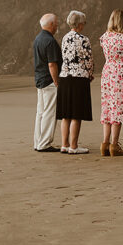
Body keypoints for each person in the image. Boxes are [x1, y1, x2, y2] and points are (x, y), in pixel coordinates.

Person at [57, 10, 94, 154]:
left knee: (66, 114)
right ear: (79, 24)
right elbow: (88, 60)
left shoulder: (65, 38)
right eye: (84, 23)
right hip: (79, 77)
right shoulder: (84, 39)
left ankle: (64, 144)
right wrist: (90, 74)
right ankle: (74, 146)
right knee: (76, 114)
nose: (84, 25)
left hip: (65, 76)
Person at [99, 9, 123, 157]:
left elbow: (107, 55)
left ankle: (104, 144)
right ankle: (114, 144)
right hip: (120, 72)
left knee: (108, 108)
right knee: (118, 108)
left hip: (107, 71)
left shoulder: (104, 37)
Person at [33, 13, 62, 152]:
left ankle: (38, 141)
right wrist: (56, 81)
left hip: (39, 79)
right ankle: (44, 143)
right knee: (50, 112)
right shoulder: (49, 41)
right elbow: (52, 64)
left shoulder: (38, 38)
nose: (57, 26)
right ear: (51, 25)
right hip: (49, 80)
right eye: (56, 23)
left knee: (41, 112)